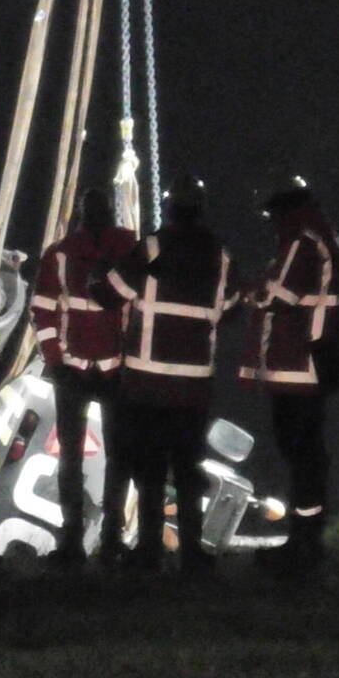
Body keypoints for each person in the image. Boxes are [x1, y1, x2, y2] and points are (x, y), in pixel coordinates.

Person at [91, 174, 239, 574]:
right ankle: (192, 553)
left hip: (146, 386)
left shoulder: (151, 247)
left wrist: (103, 270)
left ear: (171, 208)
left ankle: (150, 552)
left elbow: (106, 294)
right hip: (193, 388)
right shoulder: (221, 257)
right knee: (189, 470)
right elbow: (233, 309)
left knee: (150, 470)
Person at [239, 172, 339, 576]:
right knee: (307, 454)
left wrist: (247, 290)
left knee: (300, 452)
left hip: (298, 364)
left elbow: (277, 295)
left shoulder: (301, 241)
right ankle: (306, 535)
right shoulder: (321, 236)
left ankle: (303, 541)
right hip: (313, 360)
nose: (270, 222)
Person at [30, 188, 137, 568]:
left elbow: (42, 311)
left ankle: (81, 539)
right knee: (111, 458)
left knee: (77, 458)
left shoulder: (61, 252)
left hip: (81, 370)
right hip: (102, 370)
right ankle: (103, 539)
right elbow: (43, 309)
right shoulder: (127, 248)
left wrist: (56, 359)